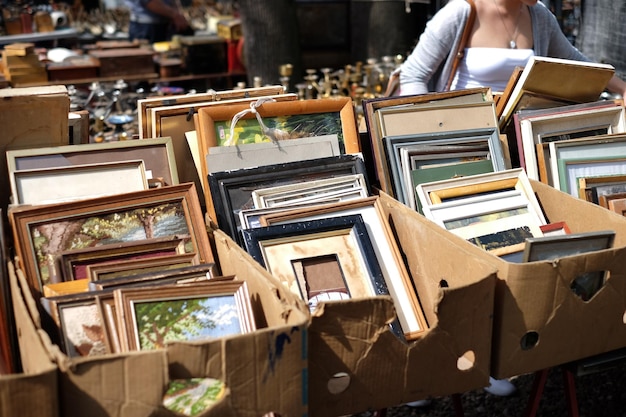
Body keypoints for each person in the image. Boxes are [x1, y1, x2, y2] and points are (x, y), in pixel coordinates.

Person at [399, 0, 626, 98]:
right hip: (462, 137)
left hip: (517, 136)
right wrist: (431, 130)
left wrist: (623, 89)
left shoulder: (540, 16)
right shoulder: (461, 12)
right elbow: (413, 74)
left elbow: (575, 61)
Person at [125, 0, 191, 44]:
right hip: (145, 28)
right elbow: (149, 2)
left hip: (163, 25)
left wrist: (176, 13)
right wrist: (175, 15)